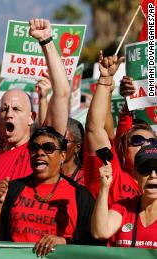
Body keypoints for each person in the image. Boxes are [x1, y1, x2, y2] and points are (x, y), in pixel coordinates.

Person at [0, 19, 71, 185]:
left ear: (31, 117)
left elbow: (62, 92)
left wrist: (46, 41)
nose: (9, 114)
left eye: (16, 109)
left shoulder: (42, 152)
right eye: (4, 109)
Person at [0, 127, 96, 257]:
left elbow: (91, 245)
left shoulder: (80, 195)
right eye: (34, 148)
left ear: (62, 156)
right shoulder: (12, 189)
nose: (40, 153)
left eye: (48, 148)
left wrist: (64, 241)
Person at [84, 51, 155, 203]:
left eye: (153, 142)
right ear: (122, 149)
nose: (146, 145)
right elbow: (95, 129)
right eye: (137, 140)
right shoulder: (112, 174)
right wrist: (105, 80)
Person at [91, 144, 157, 248]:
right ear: (136, 173)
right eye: (145, 169)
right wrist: (104, 187)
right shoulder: (124, 208)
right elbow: (100, 233)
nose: (153, 175)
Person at [62, 118, 85, 184]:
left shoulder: (85, 179)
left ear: (77, 147)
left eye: (64, 141)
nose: (58, 144)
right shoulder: (45, 175)